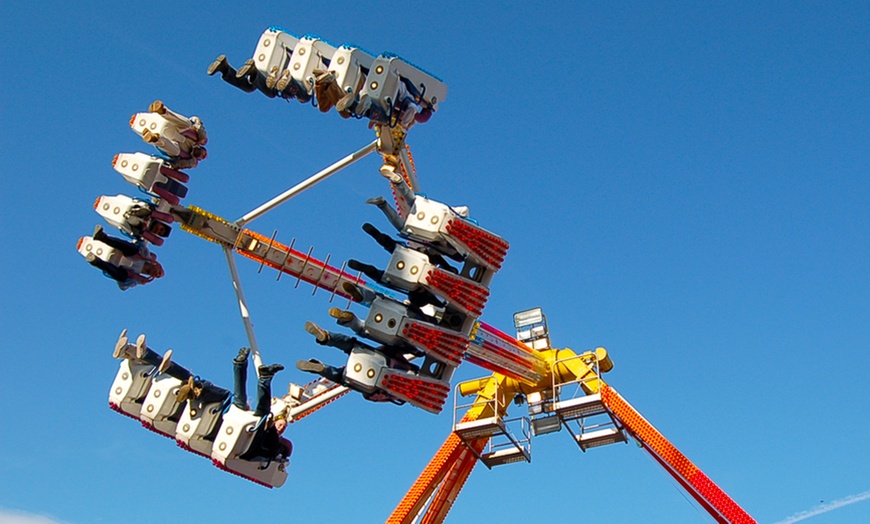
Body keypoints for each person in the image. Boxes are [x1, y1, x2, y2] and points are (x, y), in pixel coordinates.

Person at [113, 330, 229, 404]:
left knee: (187, 376)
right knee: (187, 377)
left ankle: (130, 351)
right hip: (200, 391)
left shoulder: (224, 398)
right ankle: (130, 350)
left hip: (202, 393)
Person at [232, 348, 292, 462]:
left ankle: (242, 366)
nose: (281, 429)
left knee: (240, 400)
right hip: (246, 429)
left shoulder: (275, 446)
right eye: (280, 425)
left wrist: (270, 428)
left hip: (249, 443)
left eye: (283, 428)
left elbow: (273, 446)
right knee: (255, 406)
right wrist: (270, 427)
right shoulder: (273, 436)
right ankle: (247, 367)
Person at [84, 226, 165, 290]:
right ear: (157, 266)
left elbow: (123, 287)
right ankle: (102, 237)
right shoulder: (145, 256)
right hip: (122, 251)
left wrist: (138, 280)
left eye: (157, 276)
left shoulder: (136, 277)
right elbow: (141, 242)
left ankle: (96, 261)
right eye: (159, 272)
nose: (156, 274)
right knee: (134, 250)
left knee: (124, 277)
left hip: (114, 266)